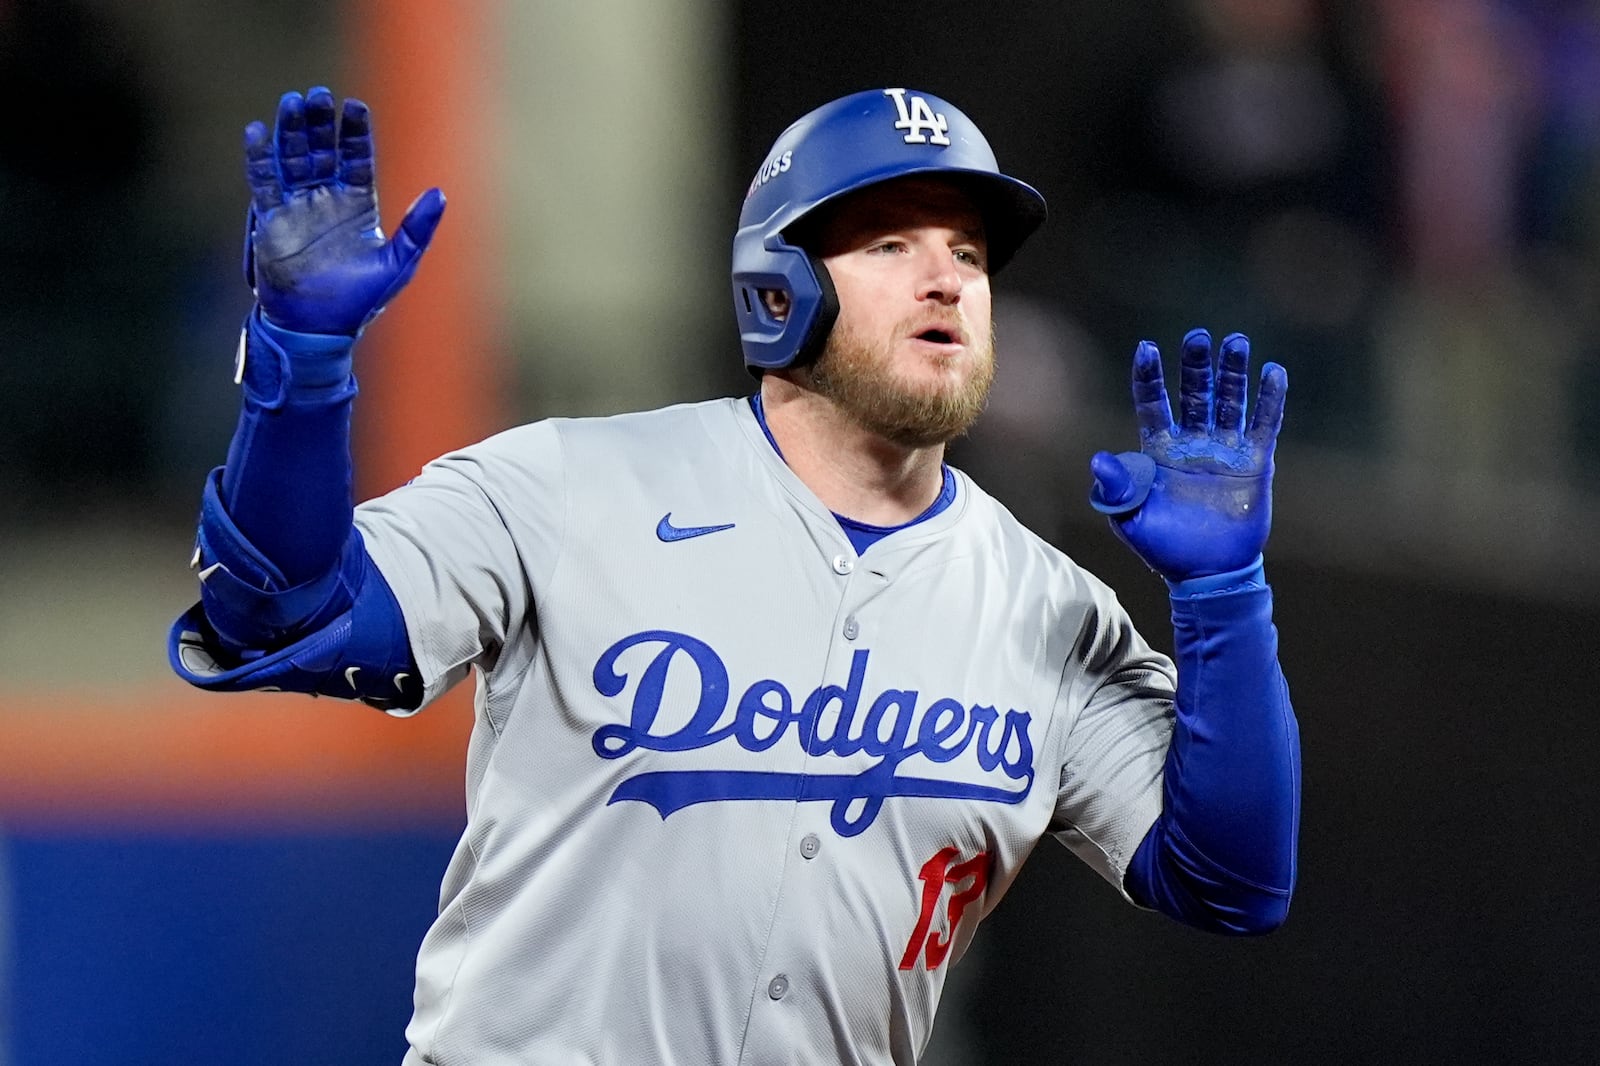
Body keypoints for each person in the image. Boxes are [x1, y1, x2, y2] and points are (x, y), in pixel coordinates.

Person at [170, 85, 1300, 1066]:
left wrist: (1223, 600)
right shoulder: (571, 484)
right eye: (891, 245)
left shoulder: (1049, 608)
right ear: (779, 290)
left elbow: (1230, 877)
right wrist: (303, 363)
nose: (946, 280)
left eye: (966, 252)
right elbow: (283, 608)